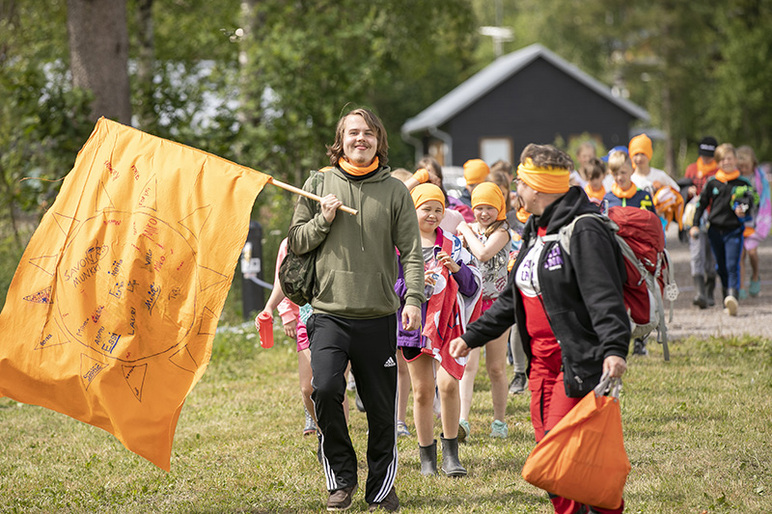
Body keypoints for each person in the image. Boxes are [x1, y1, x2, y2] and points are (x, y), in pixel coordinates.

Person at [449, 143, 630, 514]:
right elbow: (511, 299)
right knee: (552, 462)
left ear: (539, 187)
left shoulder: (585, 229)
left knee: (563, 460)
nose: (516, 189)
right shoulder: (537, 229)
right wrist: (471, 337)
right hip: (540, 367)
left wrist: (614, 348)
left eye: (521, 182)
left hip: (574, 361)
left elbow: (604, 296)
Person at [288, 107, 425, 512]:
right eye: (352, 133)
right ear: (341, 140)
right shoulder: (318, 183)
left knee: (382, 411)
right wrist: (323, 220)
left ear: (379, 139)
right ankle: (341, 478)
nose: (360, 139)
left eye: (367, 133)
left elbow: (413, 253)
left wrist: (413, 300)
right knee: (324, 389)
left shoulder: (395, 191)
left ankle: (381, 488)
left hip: (379, 314)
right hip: (328, 312)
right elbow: (296, 241)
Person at [395, 183, 482, 477]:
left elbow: (472, 287)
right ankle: (427, 458)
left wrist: (457, 269)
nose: (432, 215)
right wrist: (415, 281)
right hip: (414, 327)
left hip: (449, 324)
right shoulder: (399, 246)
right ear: (412, 210)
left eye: (438, 210)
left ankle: (451, 454)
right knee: (421, 391)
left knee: (447, 385)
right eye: (426, 209)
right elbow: (390, 288)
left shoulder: (454, 245)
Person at [255, 238, 350, 437]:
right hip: (306, 319)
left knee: (334, 385)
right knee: (308, 389)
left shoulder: (340, 236)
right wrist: (270, 307)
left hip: (339, 319)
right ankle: (325, 433)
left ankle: (339, 442)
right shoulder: (294, 241)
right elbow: (284, 279)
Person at [455, 182, 512, 440]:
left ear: (499, 208)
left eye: (489, 207)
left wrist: (465, 228)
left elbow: (484, 253)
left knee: (496, 367)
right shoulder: (468, 230)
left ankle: (499, 421)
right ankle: (462, 419)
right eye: (479, 208)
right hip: (472, 303)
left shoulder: (503, 231)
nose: (484, 213)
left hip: (497, 305)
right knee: (468, 364)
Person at [690, 143, 758, 317]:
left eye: (729, 158)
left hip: (734, 230)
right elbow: (701, 204)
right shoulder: (712, 182)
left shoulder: (743, 182)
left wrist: (744, 208)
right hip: (714, 231)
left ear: (735, 160)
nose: (726, 162)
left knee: (731, 264)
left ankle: (733, 296)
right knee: (720, 266)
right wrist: (695, 224)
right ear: (717, 162)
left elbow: (751, 200)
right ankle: (726, 298)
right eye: (722, 159)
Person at [683, 137, 719, 308]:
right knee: (696, 253)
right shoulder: (692, 169)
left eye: (709, 156)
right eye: (704, 155)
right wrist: (688, 193)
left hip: (713, 218)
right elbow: (682, 188)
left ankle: (710, 289)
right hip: (695, 217)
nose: (706, 159)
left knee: (711, 256)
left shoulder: (718, 171)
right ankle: (700, 293)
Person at [737, 145, 771, 298]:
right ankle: (741, 286)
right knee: (740, 254)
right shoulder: (737, 177)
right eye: (740, 166)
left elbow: (765, 200)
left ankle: (756, 275)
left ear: (753, 164)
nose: (743, 169)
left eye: (745, 166)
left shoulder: (760, 179)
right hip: (740, 222)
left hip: (755, 221)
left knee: (752, 252)